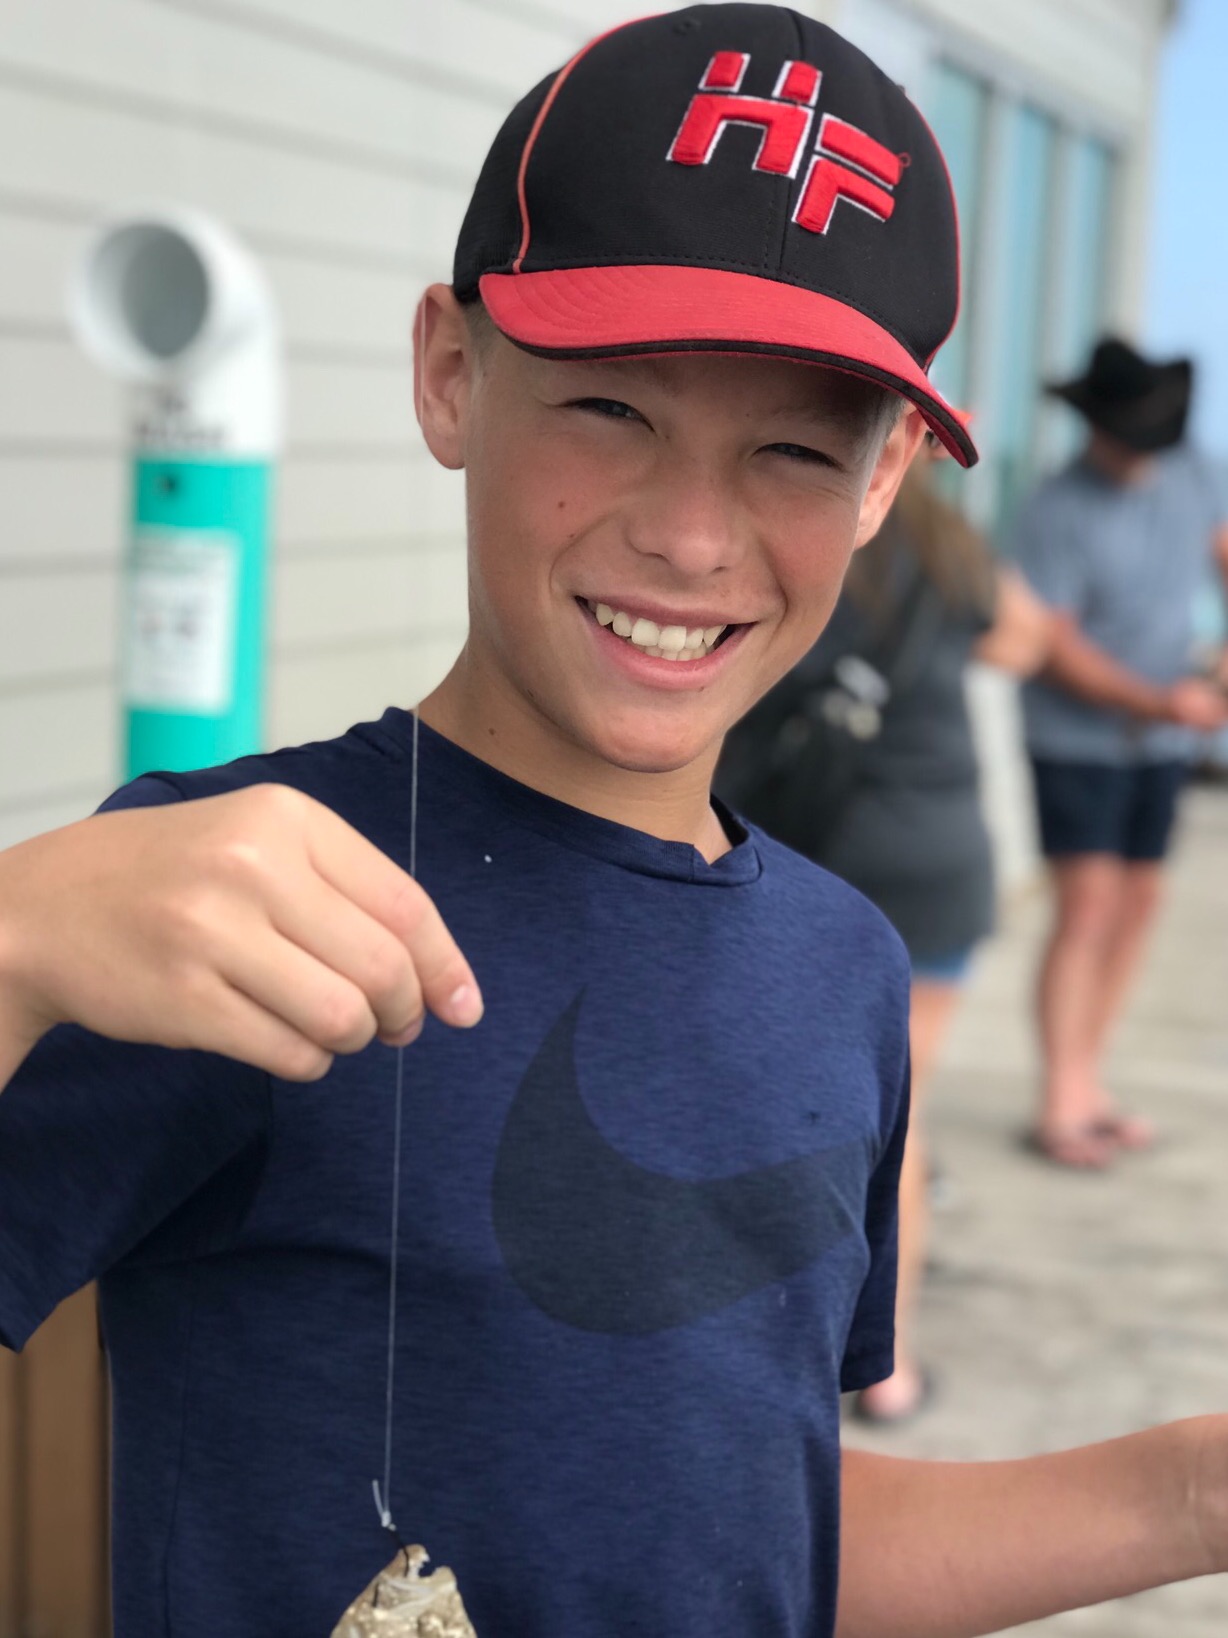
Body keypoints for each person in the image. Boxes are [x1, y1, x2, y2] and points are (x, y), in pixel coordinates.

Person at [0, 10, 1226, 1636]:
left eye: (793, 448)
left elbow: (752, 1520)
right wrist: (10, 947)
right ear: (452, 372)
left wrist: (1193, 1491)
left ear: (881, 486)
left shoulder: (847, 965)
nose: (691, 535)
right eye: (607, 409)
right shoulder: (219, 897)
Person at [726, 442, 1054, 1423]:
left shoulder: (810, 540)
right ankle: (890, 1368)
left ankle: (846, 1352)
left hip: (831, 843)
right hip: (943, 848)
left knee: (838, 1116)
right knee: (899, 1113)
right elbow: (1025, 638)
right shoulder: (952, 543)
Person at [1012, 337, 1228, 1168]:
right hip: (1076, 738)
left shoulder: (1195, 472)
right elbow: (1054, 646)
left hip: (1162, 741)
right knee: (1088, 906)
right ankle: (1059, 1101)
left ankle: (1089, 1082)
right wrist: (1159, 701)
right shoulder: (1055, 507)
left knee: (1140, 901)